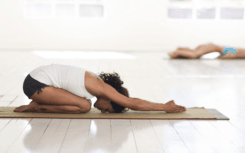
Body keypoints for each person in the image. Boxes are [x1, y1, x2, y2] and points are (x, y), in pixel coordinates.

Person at [14, 64, 186, 114]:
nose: (104, 112)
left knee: (83, 103)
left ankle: (38, 104)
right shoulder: (101, 88)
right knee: (84, 106)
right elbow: (132, 103)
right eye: (109, 110)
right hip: (36, 84)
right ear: (110, 98)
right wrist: (164, 107)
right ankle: (36, 106)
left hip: (36, 79)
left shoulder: (96, 87)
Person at [168, 43, 245, 59]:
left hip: (211, 46)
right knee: (194, 54)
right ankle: (176, 53)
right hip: (213, 47)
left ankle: (180, 50)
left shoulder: (242, 51)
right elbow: (231, 54)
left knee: (194, 51)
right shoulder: (243, 53)